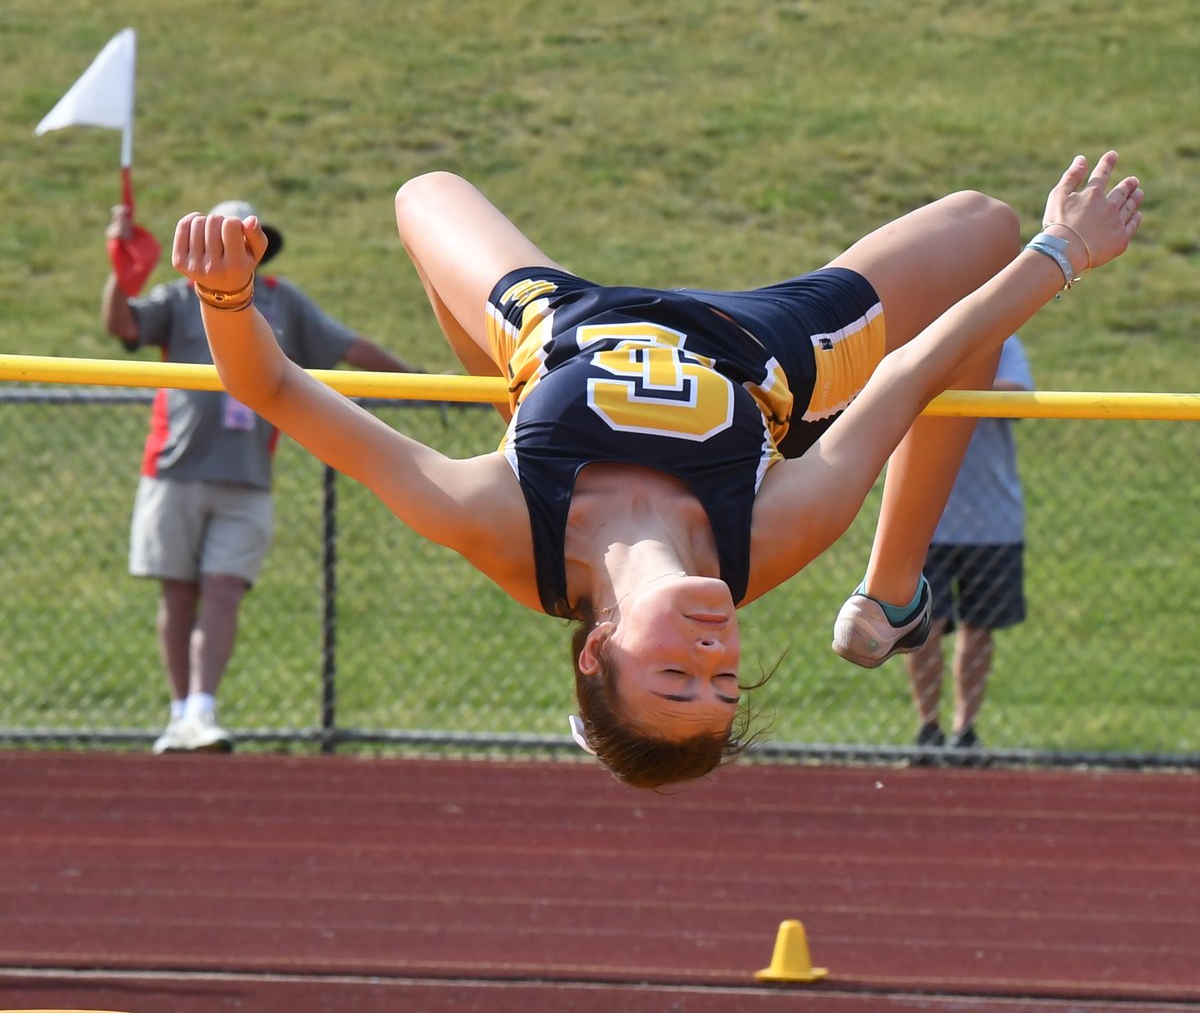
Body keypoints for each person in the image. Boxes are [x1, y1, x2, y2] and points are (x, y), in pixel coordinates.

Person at [169, 151, 1143, 788]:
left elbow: (285, 394)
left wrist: (223, 293)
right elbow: (911, 372)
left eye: (677, 674)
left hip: (559, 327)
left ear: (597, 650)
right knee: (986, 224)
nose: (715, 651)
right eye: (724, 680)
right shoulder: (763, 541)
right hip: (771, 346)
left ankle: (517, 397)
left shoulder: (501, 522)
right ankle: (890, 595)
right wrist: (1062, 251)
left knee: (424, 193)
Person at [103, 200, 422, 755]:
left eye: (245, 242)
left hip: (248, 478)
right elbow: (122, 324)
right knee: (178, 594)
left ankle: (203, 710)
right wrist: (119, 273)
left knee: (224, 590)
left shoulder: (280, 300)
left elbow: (347, 345)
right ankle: (180, 714)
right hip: (174, 470)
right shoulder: (179, 298)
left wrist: (420, 385)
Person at [905, 334, 1033, 757]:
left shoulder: (1001, 341)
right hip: (924, 519)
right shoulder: (919, 338)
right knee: (923, 627)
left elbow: (1018, 396)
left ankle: (965, 731)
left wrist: (951, 383)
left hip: (992, 521)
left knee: (979, 629)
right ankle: (928, 727)